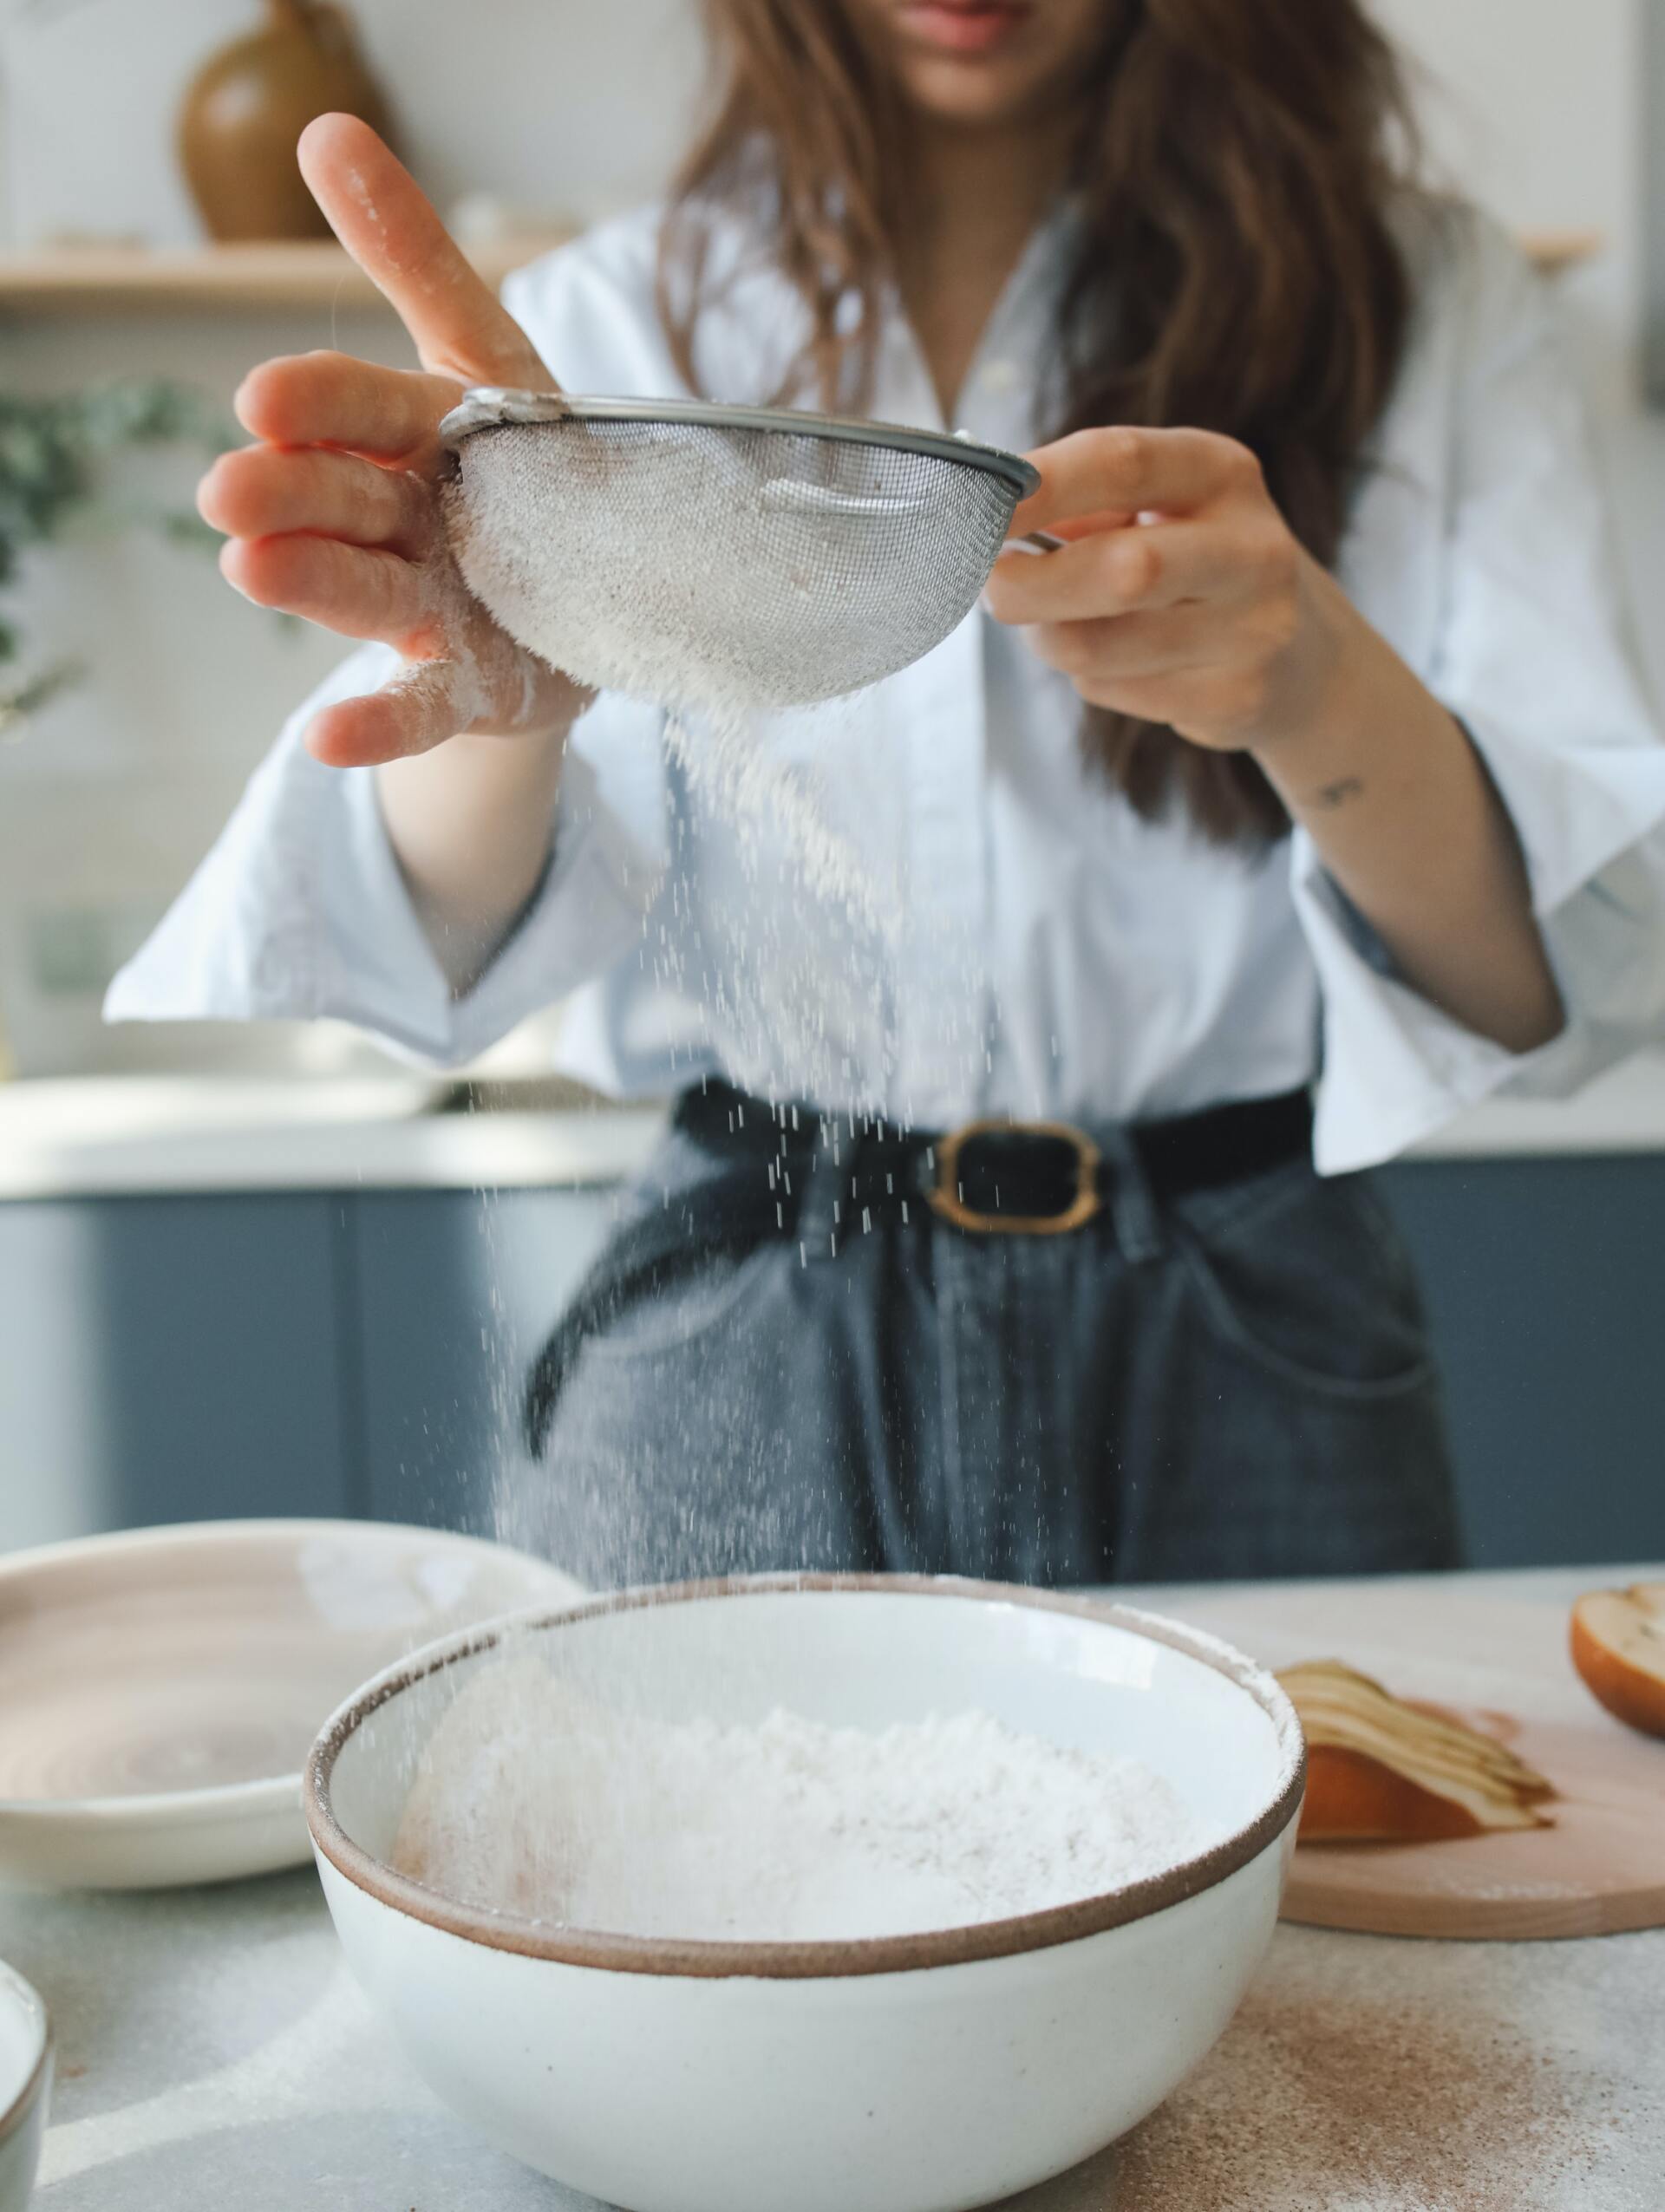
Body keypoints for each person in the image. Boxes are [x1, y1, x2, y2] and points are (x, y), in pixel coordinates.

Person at [112, 1, 1665, 1589]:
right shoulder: (607, 324)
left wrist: (1318, 684)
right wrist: (509, 686)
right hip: (748, 1305)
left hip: (1248, 1327)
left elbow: (1548, 974)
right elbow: (415, 935)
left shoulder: (1427, 301)